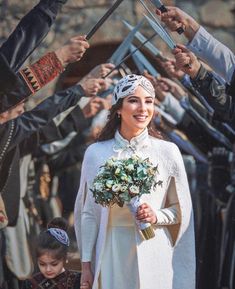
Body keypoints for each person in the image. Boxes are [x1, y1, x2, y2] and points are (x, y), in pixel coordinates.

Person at [74, 74, 195, 289]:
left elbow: (182, 212)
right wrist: (86, 266)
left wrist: (155, 215)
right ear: (118, 108)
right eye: (133, 100)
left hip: (154, 251)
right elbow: (88, 213)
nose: (142, 108)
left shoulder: (168, 152)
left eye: (148, 101)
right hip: (111, 252)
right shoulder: (95, 153)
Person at [21, 217, 89, 289]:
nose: (48, 269)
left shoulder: (76, 280)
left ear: (65, 258)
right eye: (42, 264)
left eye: (54, 264)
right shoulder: (31, 283)